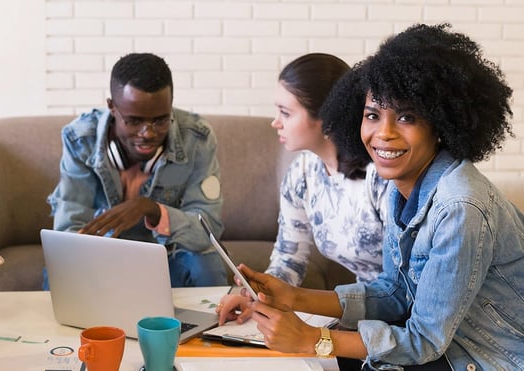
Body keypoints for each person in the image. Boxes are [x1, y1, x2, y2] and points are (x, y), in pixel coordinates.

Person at [223, 23, 524, 370]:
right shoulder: (403, 188)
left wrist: (313, 339)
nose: (383, 133)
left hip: (490, 358)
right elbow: (394, 293)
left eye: (407, 117)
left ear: (440, 124)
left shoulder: (460, 207)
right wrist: (292, 297)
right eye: (372, 115)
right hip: (446, 348)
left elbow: (424, 340)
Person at [218, 54, 388, 326]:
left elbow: (407, 286)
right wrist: (257, 297)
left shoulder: (381, 176)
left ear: (326, 118)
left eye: (285, 113)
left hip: (406, 316)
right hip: (364, 311)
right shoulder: (302, 174)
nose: (276, 122)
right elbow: (289, 258)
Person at [47, 52, 226, 288]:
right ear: (112, 107)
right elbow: (68, 230)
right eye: (134, 121)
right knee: (60, 267)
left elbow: (207, 230)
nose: (148, 133)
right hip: (103, 257)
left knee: (207, 263)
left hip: (168, 255)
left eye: (160, 120)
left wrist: (154, 211)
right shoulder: (80, 139)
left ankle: (212, 326)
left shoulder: (198, 138)